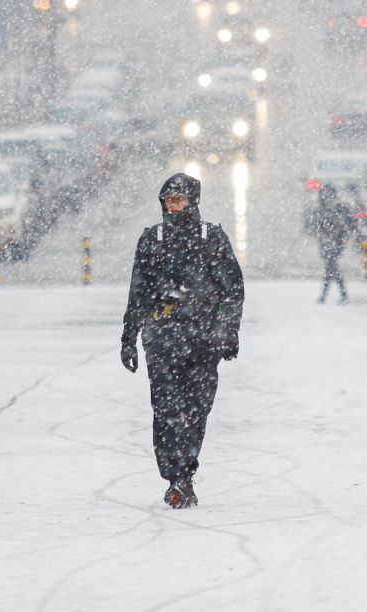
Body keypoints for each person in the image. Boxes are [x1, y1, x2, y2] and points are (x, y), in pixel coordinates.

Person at [120, 173, 245, 508]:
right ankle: (175, 477)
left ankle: (185, 473)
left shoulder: (211, 238)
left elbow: (232, 290)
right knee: (165, 411)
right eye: (169, 200)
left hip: (204, 340)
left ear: (194, 202)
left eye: (180, 200)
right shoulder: (152, 240)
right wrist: (128, 337)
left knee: (196, 411)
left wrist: (228, 331)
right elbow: (138, 293)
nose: (174, 206)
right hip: (162, 338)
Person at [314, 184, 354, 304]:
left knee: (332, 269)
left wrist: (336, 239)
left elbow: (322, 228)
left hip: (331, 243)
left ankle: (329, 296)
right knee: (331, 269)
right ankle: (339, 295)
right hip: (332, 243)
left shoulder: (328, 209)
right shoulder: (337, 208)